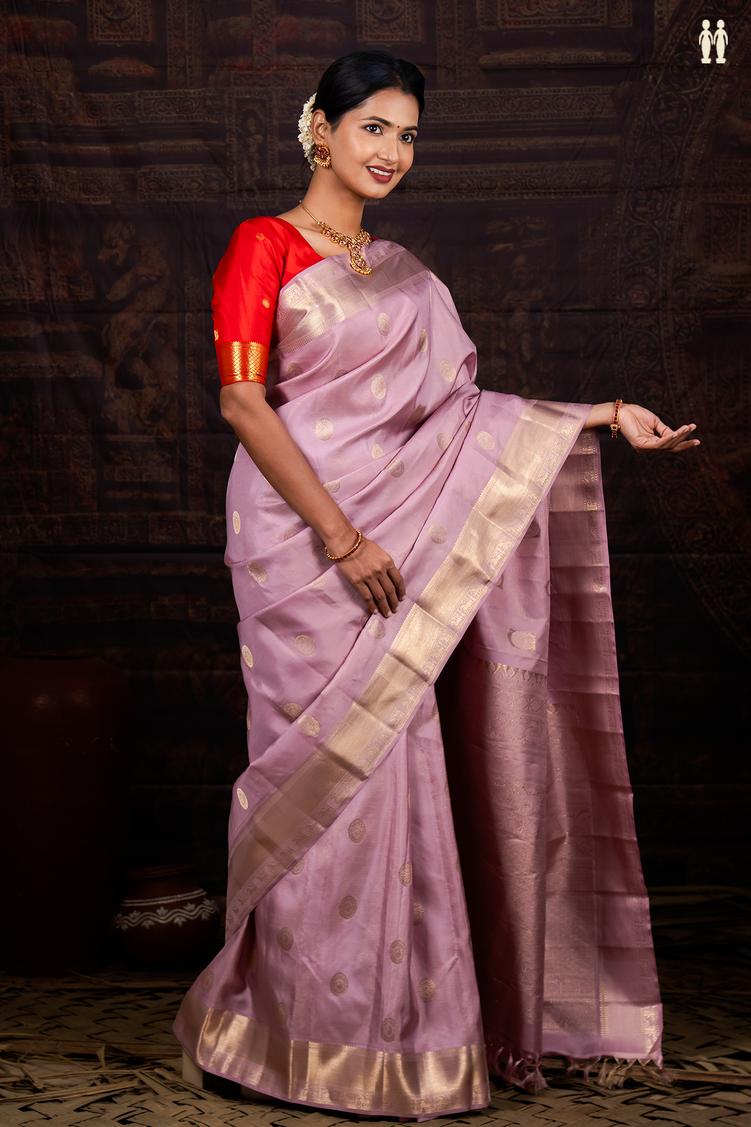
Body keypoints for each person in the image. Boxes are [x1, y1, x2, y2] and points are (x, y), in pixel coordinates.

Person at [174, 50, 700, 1119]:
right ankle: (291, 1035)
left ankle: (403, 1039)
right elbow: (242, 403)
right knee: (324, 783)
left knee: (401, 770)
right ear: (319, 128)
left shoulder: (408, 274)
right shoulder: (263, 245)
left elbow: (460, 418)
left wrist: (602, 416)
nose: (392, 152)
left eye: (408, 134)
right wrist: (342, 539)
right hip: (303, 549)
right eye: (373, 127)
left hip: (402, 541)